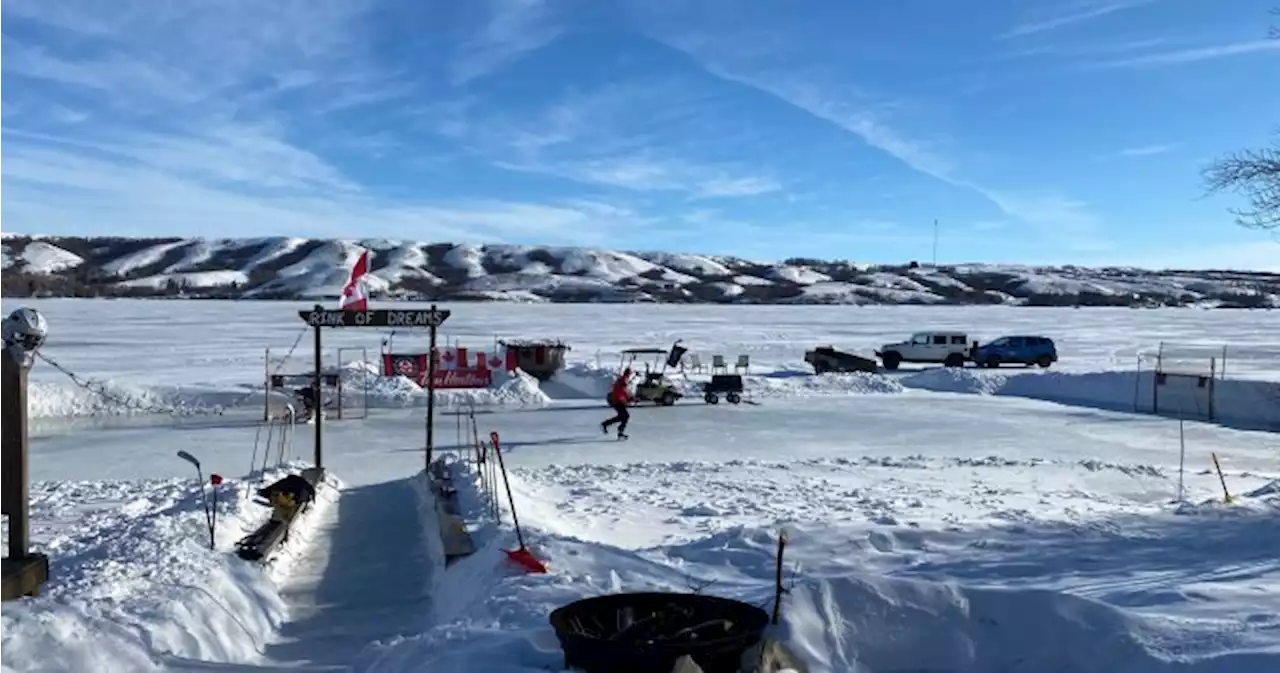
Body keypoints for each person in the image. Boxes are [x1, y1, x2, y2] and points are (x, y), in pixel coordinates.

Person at [601, 368, 633, 439]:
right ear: (629, 374)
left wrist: (628, 398)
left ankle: (607, 425)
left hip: (615, 399)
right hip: (616, 400)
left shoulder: (622, 379)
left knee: (623, 416)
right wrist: (628, 399)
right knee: (625, 416)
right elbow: (621, 391)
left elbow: (622, 391)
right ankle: (619, 432)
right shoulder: (623, 380)